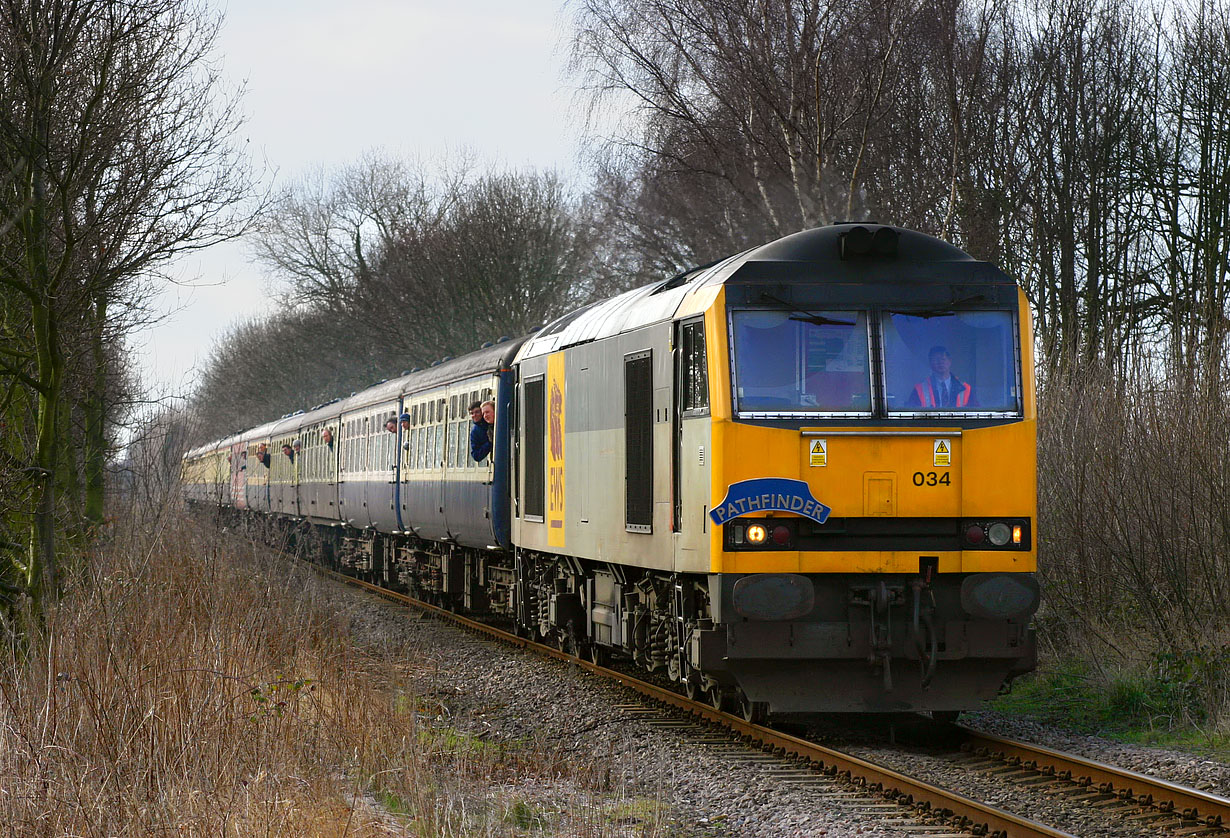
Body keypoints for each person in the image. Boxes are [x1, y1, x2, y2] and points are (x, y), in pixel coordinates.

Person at [907, 345, 973, 408]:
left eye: (943, 359)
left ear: (949, 361)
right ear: (930, 363)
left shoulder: (965, 389)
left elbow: (975, 415)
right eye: (936, 359)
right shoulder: (919, 389)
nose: (940, 362)